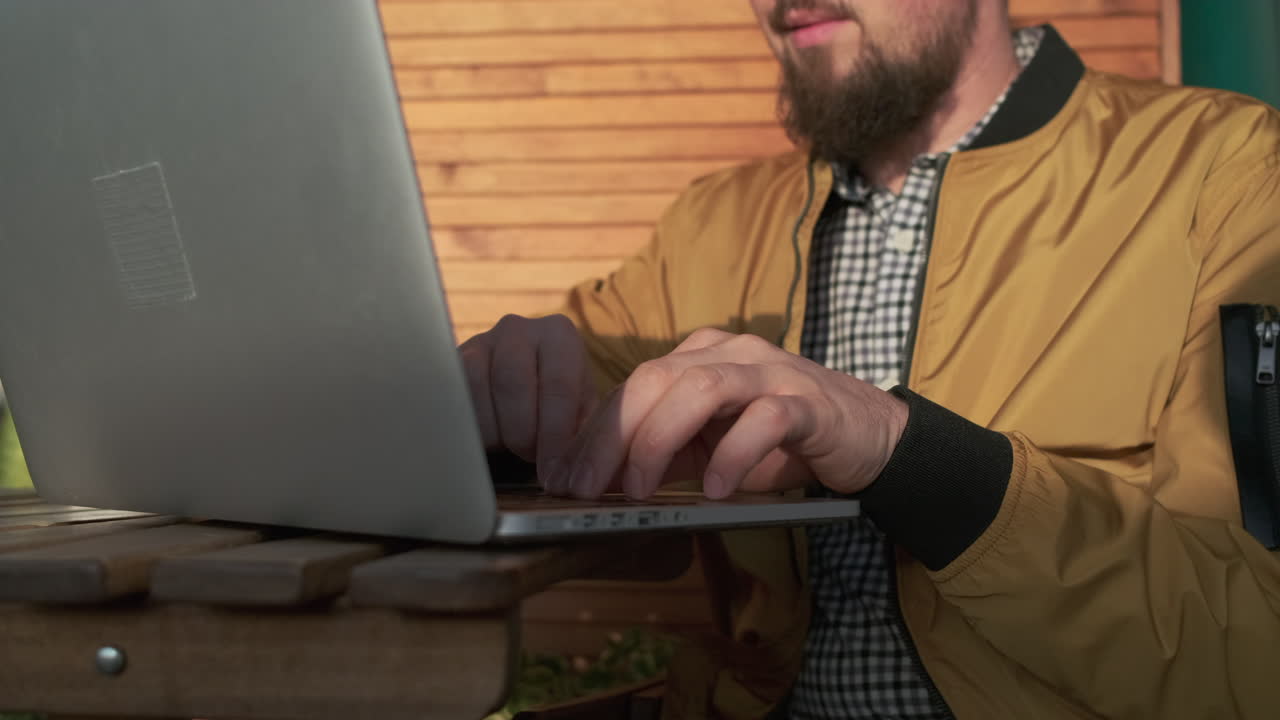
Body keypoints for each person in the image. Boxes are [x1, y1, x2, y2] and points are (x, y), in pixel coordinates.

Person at [459, 0, 1280, 717]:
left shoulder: (1231, 177)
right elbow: (548, 402)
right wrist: (496, 406)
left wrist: (903, 454)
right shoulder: (710, 226)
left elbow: (1261, 654)